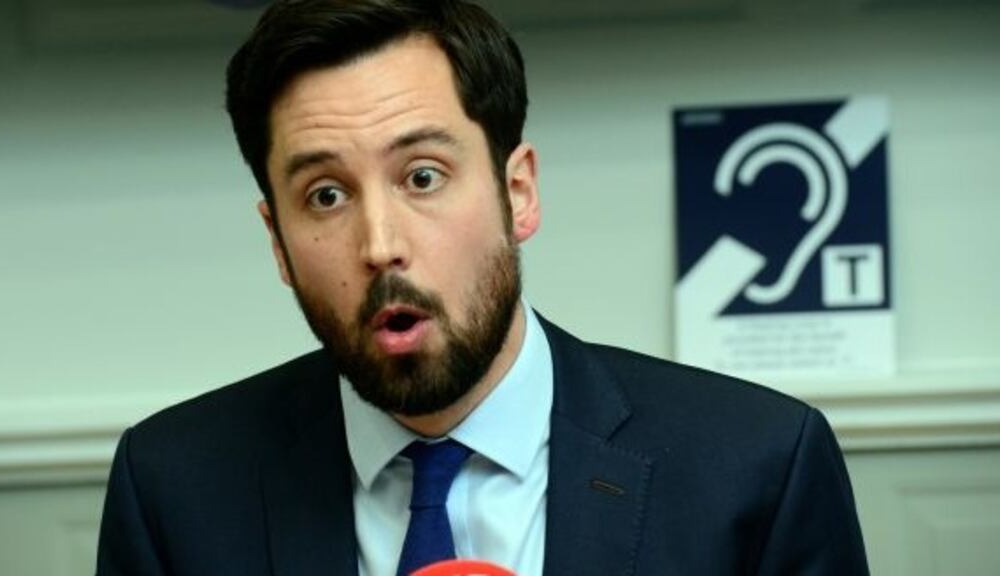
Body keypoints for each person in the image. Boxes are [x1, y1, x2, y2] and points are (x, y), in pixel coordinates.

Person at [96, 1, 870, 574]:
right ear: (277, 240)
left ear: (518, 191)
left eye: (423, 176)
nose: (381, 247)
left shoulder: (759, 466)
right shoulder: (173, 489)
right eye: (325, 195)